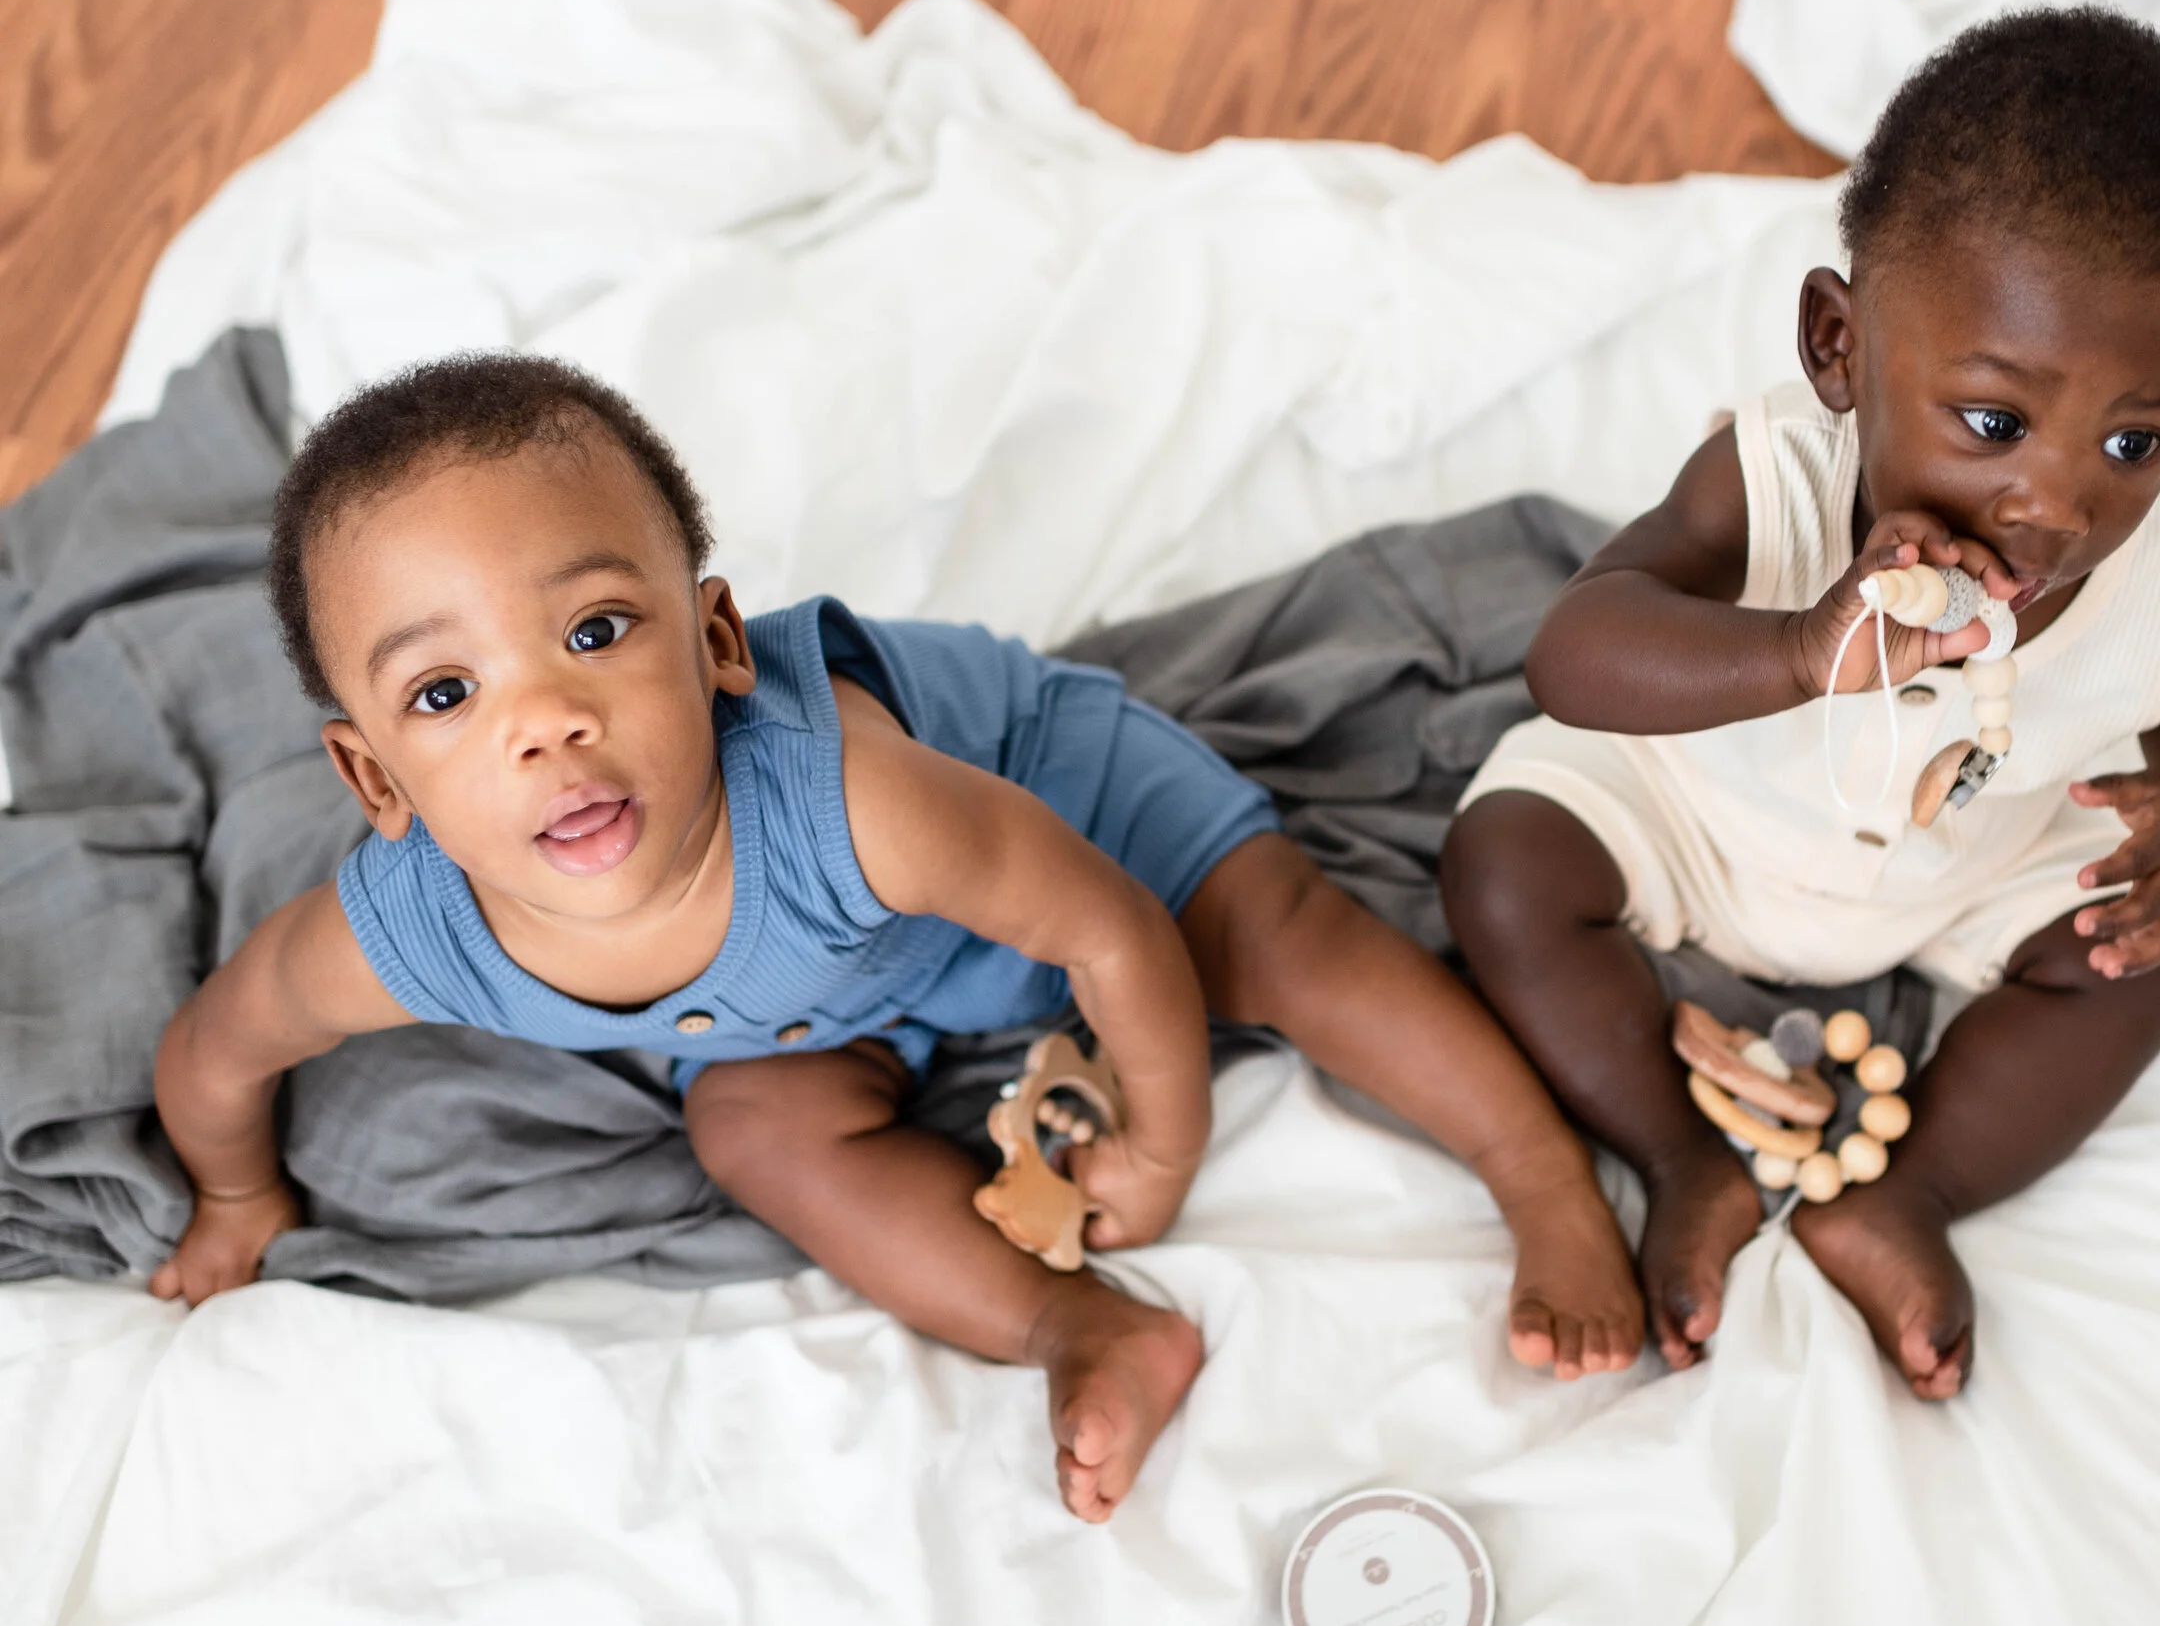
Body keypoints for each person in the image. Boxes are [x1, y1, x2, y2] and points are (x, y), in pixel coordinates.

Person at [149, 353, 1643, 1522]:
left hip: (1057, 822)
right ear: (373, 779)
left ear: (718, 645)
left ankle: (1539, 1169)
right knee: (752, 1131)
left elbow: (1111, 928)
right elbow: (219, 1043)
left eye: (597, 631)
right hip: (827, 1008)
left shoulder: (856, 800)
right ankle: (1085, 1335)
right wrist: (232, 1197)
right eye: (442, 695)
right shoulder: (406, 932)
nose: (546, 721)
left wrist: (1164, 1144)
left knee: (1276, 934)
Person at [1440, 6, 2160, 1400]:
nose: (2059, 502)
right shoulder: (1777, 474)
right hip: (1698, 821)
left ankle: (1908, 1190)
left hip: (1969, 866)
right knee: (1504, 865)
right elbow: (1574, 649)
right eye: (1994, 422)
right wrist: (1794, 650)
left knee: (2147, 972)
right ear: (1843, 346)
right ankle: (1680, 1155)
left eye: (2137, 439)